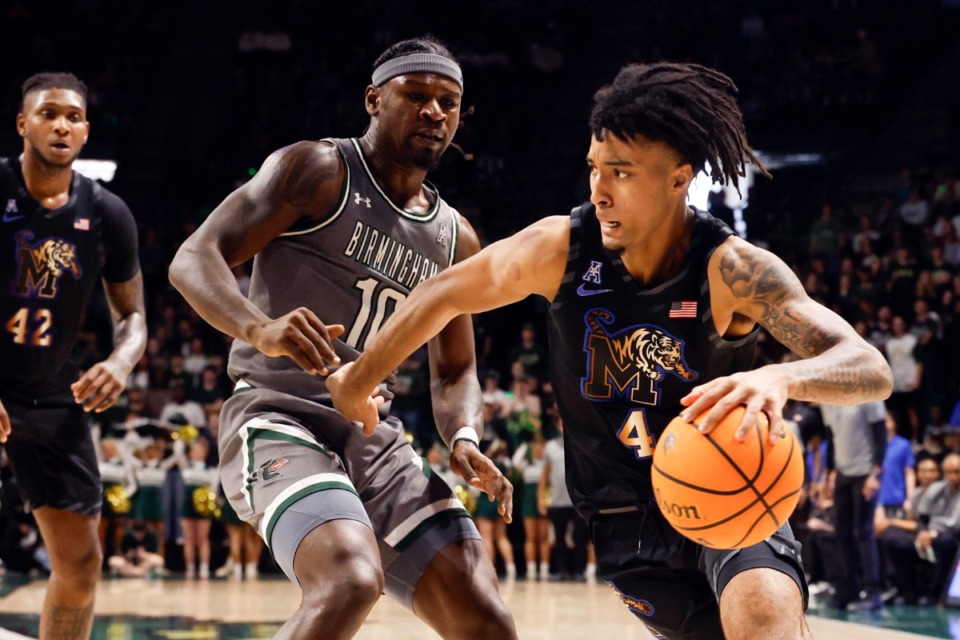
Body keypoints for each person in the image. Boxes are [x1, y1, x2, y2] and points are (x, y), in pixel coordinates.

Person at [328, 61, 894, 639]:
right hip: (625, 521)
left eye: (620, 173)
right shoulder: (561, 249)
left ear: (679, 179)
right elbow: (439, 295)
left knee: (764, 617)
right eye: (595, 169)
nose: (598, 191)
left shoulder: (731, 271)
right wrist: (357, 377)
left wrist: (782, 380)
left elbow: (869, 366)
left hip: (731, 496)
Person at [168, 36, 516, 640]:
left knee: (486, 620)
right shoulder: (319, 169)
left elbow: (455, 370)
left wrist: (462, 435)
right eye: (417, 95)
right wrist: (260, 326)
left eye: (448, 101)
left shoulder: (455, 237)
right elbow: (193, 257)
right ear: (373, 99)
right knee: (350, 580)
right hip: (279, 415)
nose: (434, 111)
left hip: (374, 436)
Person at [0, 72, 146, 639]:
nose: (62, 124)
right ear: (22, 124)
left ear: (85, 132)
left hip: (52, 393)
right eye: (48, 113)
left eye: (74, 117)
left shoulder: (108, 213)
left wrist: (120, 362)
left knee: (82, 566)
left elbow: (132, 318)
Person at [819, 400, 887, 611]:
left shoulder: (868, 396)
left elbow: (881, 436)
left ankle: (873, 592)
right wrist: (828, 473)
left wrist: (875, 473)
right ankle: (847, 590)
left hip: (865, 473)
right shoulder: (827, 401)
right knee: (842, 533)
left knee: (864, 532)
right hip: (842, 473)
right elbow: (832, 438)